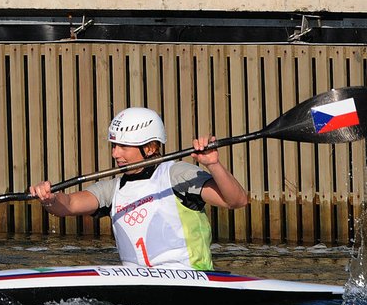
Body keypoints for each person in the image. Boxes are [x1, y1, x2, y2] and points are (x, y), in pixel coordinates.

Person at [29, 107, 249, 270]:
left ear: (151, 147)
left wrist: (213, 165)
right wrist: (49, 198)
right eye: (114, 146)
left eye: (123, 146)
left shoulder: (177, 175)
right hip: (136, 281)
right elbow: (69, 205)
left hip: (192, 280)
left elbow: (236, 201)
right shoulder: (113, 188)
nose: (115, 154)